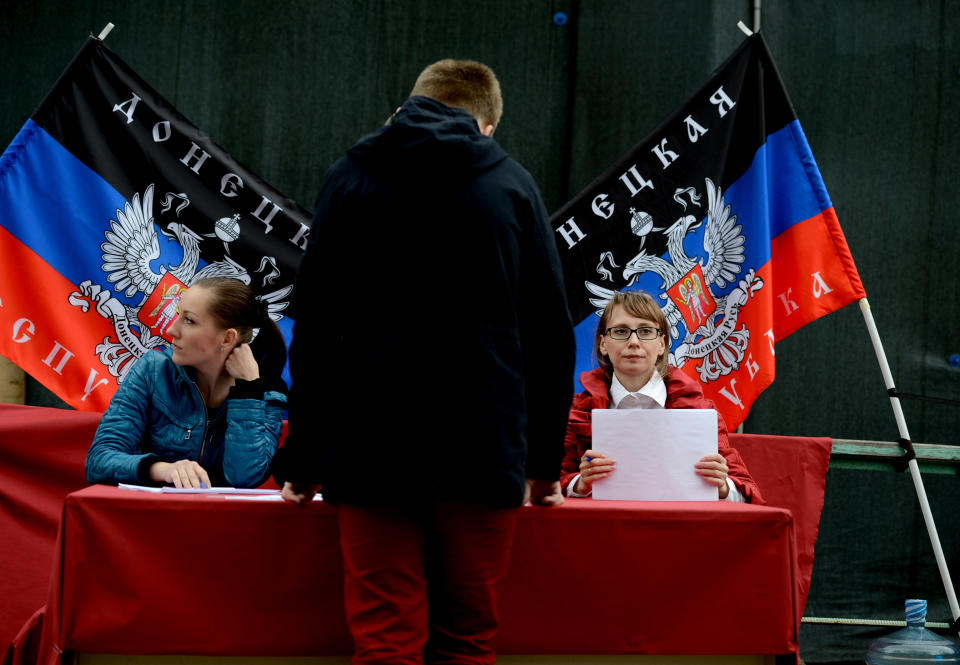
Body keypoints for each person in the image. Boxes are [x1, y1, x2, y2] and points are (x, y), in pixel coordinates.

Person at [274, 59, 575, 664]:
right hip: (484, 449)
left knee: (385, 637)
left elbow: (314, 332)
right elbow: (550, 335)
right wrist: (543, 462)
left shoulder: (351, 178)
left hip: (370, 448)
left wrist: (304, 458)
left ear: (406, 107)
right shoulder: (512, 185)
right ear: (486, 124)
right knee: (467, 638)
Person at [562, 290, 763, 503]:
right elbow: (547, 484)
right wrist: (581, 483)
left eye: (646, 331)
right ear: (603, 343)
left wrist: (722, 485)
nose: (633, 341)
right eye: (621, 331)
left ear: (662, 344)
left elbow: (748, 493)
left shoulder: (700, 410)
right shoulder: (576, 410)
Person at [86, 276, 288, 489]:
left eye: (189, 320)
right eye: (177, 315)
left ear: (227, 339)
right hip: (152, 516)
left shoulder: (265, 392)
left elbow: (243, 478)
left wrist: (248, 391)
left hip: (220, 520)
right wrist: (162, 469)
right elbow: (99, 460)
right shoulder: (154, 370)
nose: (171, 330)